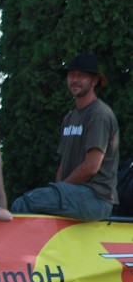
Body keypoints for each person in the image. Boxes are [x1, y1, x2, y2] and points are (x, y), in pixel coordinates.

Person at [12, 54, 119, 221]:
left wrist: (60, 188)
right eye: (71, 75)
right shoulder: (69, 118)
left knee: (25, 203)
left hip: (97, 197)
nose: (74, 79)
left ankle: (17, 248)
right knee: (35, 204)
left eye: (81, 75)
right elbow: (64, 163)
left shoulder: (99, 114)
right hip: (74, 193)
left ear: (95, 81)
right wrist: (58, 188)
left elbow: (92, 166)